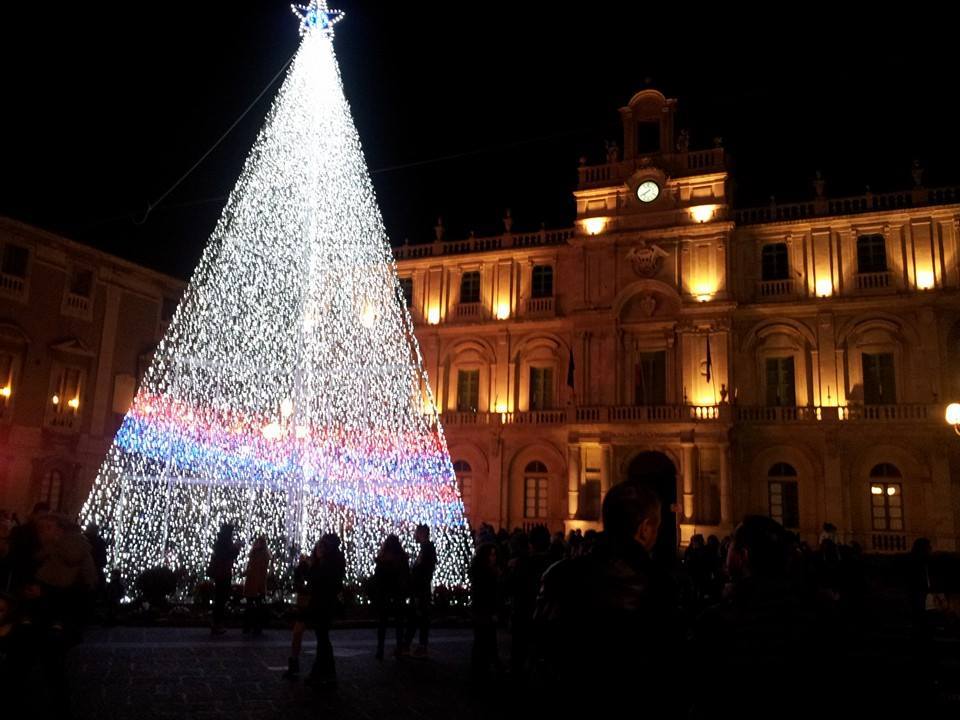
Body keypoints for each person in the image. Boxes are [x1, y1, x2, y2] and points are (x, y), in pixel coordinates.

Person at [306, 533, 345, 689]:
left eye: (321, 546)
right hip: (325, 604)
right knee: (323, 639)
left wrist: (311, 566)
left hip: (322, 604)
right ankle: (327, 673)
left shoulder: (326, 564)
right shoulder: (335, 560)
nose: (318, 549)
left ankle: (321, 673)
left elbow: (317, 581)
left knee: (322, 640)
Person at [373, 534, 409, 660]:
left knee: (382, 624)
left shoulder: (382, 560)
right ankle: (399, 649)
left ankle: (380, 649)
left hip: (385, 595)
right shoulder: (402, 559)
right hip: (397, 595)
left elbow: (377, 579)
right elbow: (405, 577)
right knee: (399, 624)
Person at [469, 543, 501, 680]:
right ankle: (485, 666)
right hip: (485, 609)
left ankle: (481, 666)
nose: (494, 557)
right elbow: (490, 592)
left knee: (482, 638)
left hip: (480, 608)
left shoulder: (479, 570)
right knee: (486, 637)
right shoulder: (487, 572)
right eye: (492, 554)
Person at [404, 524, 436, 656]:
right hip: (420, 590)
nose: (414, 535)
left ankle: (412, 646)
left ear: (421, 534)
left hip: (420, 591)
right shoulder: (425, 548)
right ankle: (411, 645)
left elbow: (424, 572)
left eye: (416, 533)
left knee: (417, 618)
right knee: (417, 618)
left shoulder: (427, 549)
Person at [281, 552, 312, 679]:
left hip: (314, 604)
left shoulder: (319, 569)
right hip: (304, 605)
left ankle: (322, 667)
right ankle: (294, 663)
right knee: (297, 632)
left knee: (321, 637)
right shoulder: (304, 570)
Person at [208, 523, 241, 635]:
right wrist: (236, 548)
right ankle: (217, 624)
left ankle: (216, 623)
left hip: (220, 573)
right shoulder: (225, 542)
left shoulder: (220, 541)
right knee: (221, 599)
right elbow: (228, 555)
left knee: (219, 598)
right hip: (223, 573)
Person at [242, 536, 270, 635]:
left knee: (256, 606)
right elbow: (251, 567)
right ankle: (250, 626)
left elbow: (258, 569)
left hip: (257, 584)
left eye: (260, 542)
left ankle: (254, 627)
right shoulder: (254, 554)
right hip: (252, 583)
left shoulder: (263, 555)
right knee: (252, 606)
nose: (258, 544)